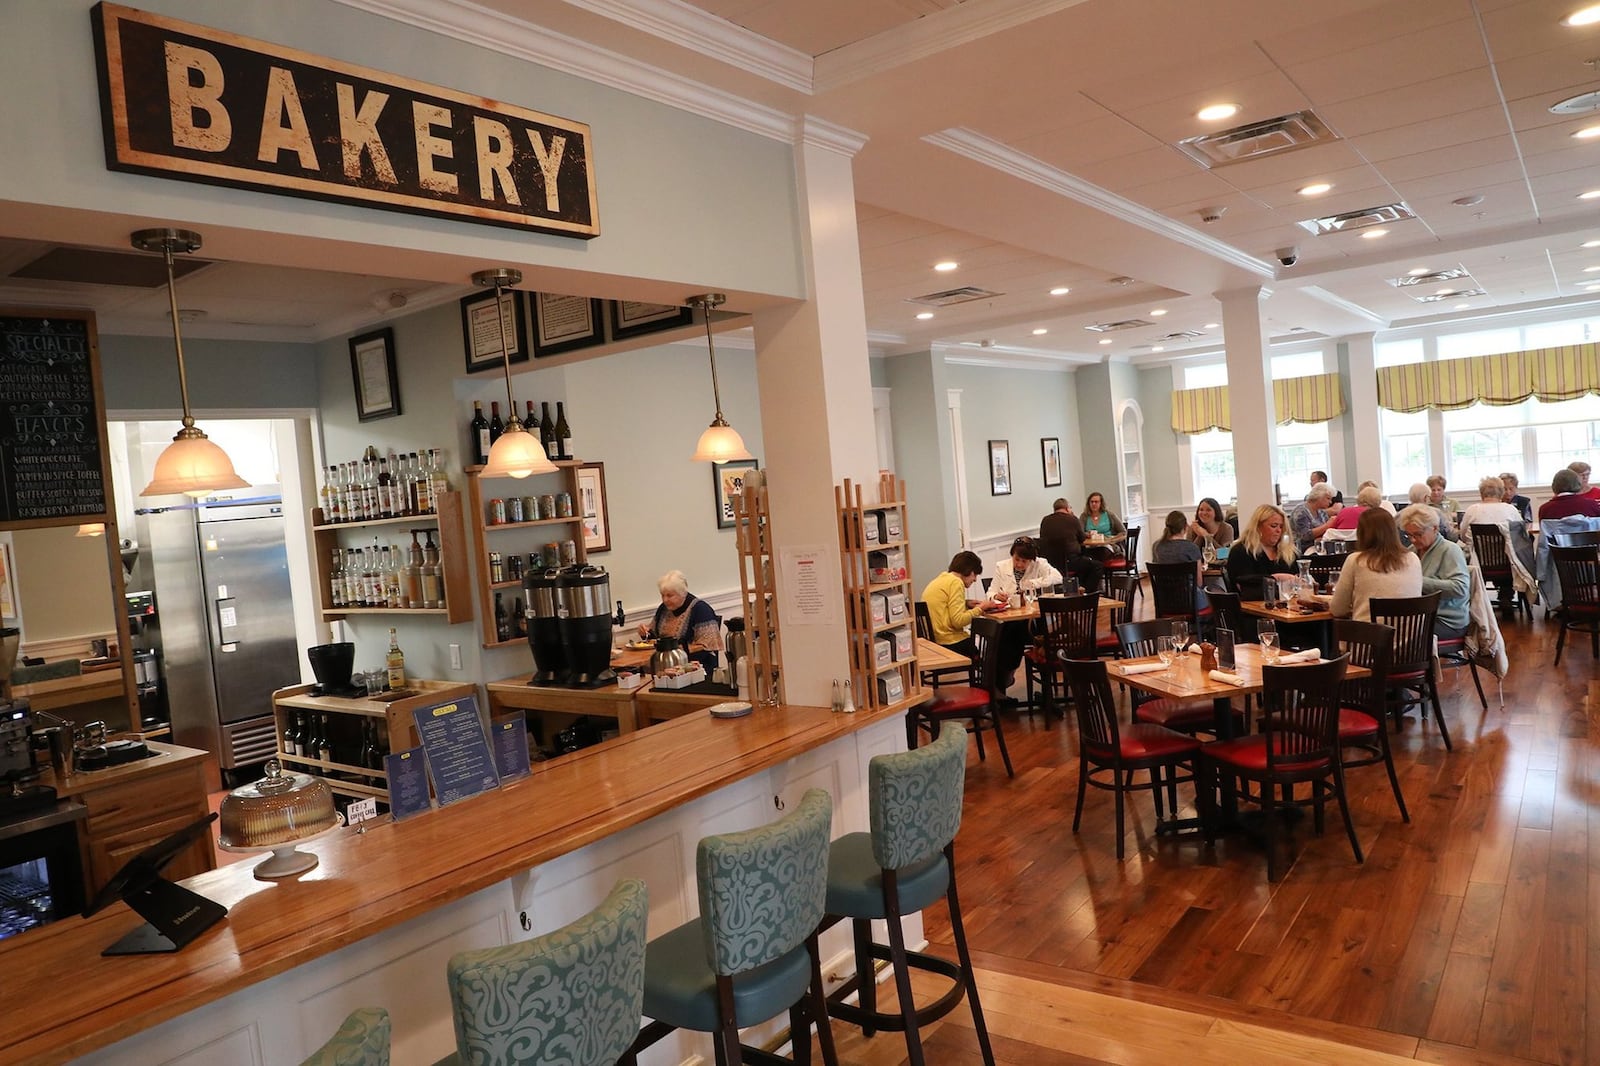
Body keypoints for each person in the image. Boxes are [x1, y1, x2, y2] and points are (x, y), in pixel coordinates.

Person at [986, 536, 1062, 692]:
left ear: (1031, 561)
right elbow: (991, 591)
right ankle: (1002, 679)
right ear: (1012, 555)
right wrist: (996, 597)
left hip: (1035, 623)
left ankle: (1001, 680)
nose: (1019, 564)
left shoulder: (1040, 564)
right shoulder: (1002, 567)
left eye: (1024, 561)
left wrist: (1033, 584)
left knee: (1009, 635)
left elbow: (1057, 577)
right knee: (1010, 632)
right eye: (1017, 559)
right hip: (1010, 618)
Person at [1329, 509, 1422, 623]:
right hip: (1412, 637)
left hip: (1371, 638)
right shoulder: (1413, 558)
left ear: (1361, 533)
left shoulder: (1356, 560)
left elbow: (1338, 609)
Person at [1397, 504, 1470, 639]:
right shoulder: (1412, 551)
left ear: (1435, 528)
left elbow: (1460, 588)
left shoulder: (1450, 550)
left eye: (1418, 534)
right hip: (1423, 615)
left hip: (1447, 620)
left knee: (1403, 635)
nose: (1413, 540)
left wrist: (1416, 581)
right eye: (1409, 535)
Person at [639, 569, 722, 673]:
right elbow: (654, 638)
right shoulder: (663, 609)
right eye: (662, 595)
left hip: (696, 668)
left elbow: (706, 648)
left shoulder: (701, 610)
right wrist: (645, 632)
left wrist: (677, 658)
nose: (665, 600)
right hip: (666, 664)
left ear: (682, 593)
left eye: (670, 595)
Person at [1224, 503, 1297, 597]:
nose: (1279, 530)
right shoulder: (1241, 551)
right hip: (1252, 607)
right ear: (1258, 527)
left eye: (1281, 527)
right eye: (1274, 526)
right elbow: (1242, 584)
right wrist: (1275, 578)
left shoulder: (1287, 551)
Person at [921, 551, 984, 656]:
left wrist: (965, 604)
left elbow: (944, 605)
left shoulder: (942, 579)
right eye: (975, 574)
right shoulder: (956, 582)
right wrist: (980, 608)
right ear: (969, 571)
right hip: (947, 642)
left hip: (932, 641)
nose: (975, 579)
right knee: (987, 649)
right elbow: (958, 621)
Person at [1038, 498, 1102, 593]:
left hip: (1050, 562)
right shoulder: (1072, 519)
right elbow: (1082, 539)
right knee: (1097, 566)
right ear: (1067, 508)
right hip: (1070, 561)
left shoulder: (1045, 520)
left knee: (1084, 564)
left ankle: (1075, 589)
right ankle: (1087, 592)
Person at [1152, 509, 1209, 610]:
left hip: (1164, 601)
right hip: (1189, 600)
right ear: (1185, 527)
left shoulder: (1157, 546)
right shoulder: (1191, 548)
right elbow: (1199, 582)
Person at [1459, 475, 1524, 559]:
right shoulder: (1511, 510)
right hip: (1508, 561)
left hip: (1478, 561)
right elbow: (1521, 534)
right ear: (1501, 493)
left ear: (1481, 494)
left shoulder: (1472, 510)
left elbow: (1463, 536)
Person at [1079, 491, 1126, 561]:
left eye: (1096, 502)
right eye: (1091, 502)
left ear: (1101, 503)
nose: (1094, 504)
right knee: (1085, 555)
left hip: (1107, 546)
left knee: (1101, 552)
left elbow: (1123, 532)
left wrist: (1112, 540)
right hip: (1090, 546)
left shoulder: (1109, 515)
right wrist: (1087, 534)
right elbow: (1080, 533)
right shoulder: (1084, 516)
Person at [1289, 485, 1337, 552]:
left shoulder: (1322, 512)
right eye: (1328, 498)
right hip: (1302, 550)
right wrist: (1327, 525)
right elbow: (1304, 536)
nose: (1330, 502)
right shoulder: (1300, 511)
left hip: (1319, 547)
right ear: (1318, 496)